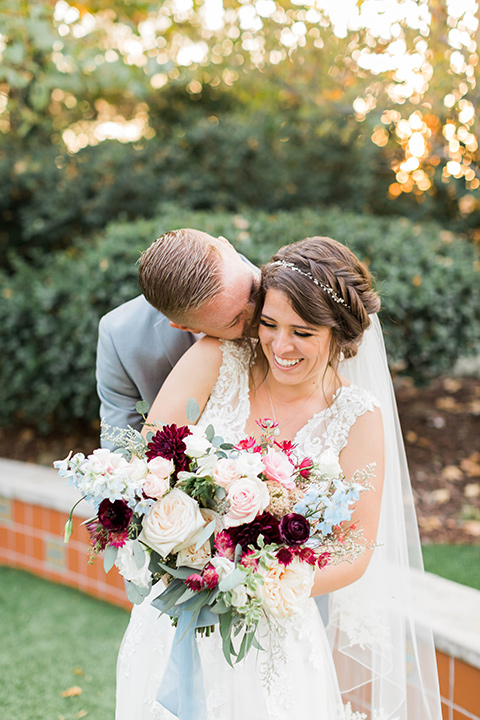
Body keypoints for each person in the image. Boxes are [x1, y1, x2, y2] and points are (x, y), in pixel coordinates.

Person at [115, 236, 442, 719]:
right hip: (177, 616)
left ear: (340, 335)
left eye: (303, 332)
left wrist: (259, 585)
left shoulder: (358, 417)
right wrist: (180, 546)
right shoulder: (216, 359)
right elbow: (150, 466)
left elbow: (354, 551)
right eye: (268, 324)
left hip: (274, 630)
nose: (280, 346)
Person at [96, 229, 259, 440]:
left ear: (227, 245)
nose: (258, 312)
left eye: (253, 290)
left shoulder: (301, 294)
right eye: (236, 321)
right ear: (185, 327)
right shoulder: (121, 336)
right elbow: (120, 448)